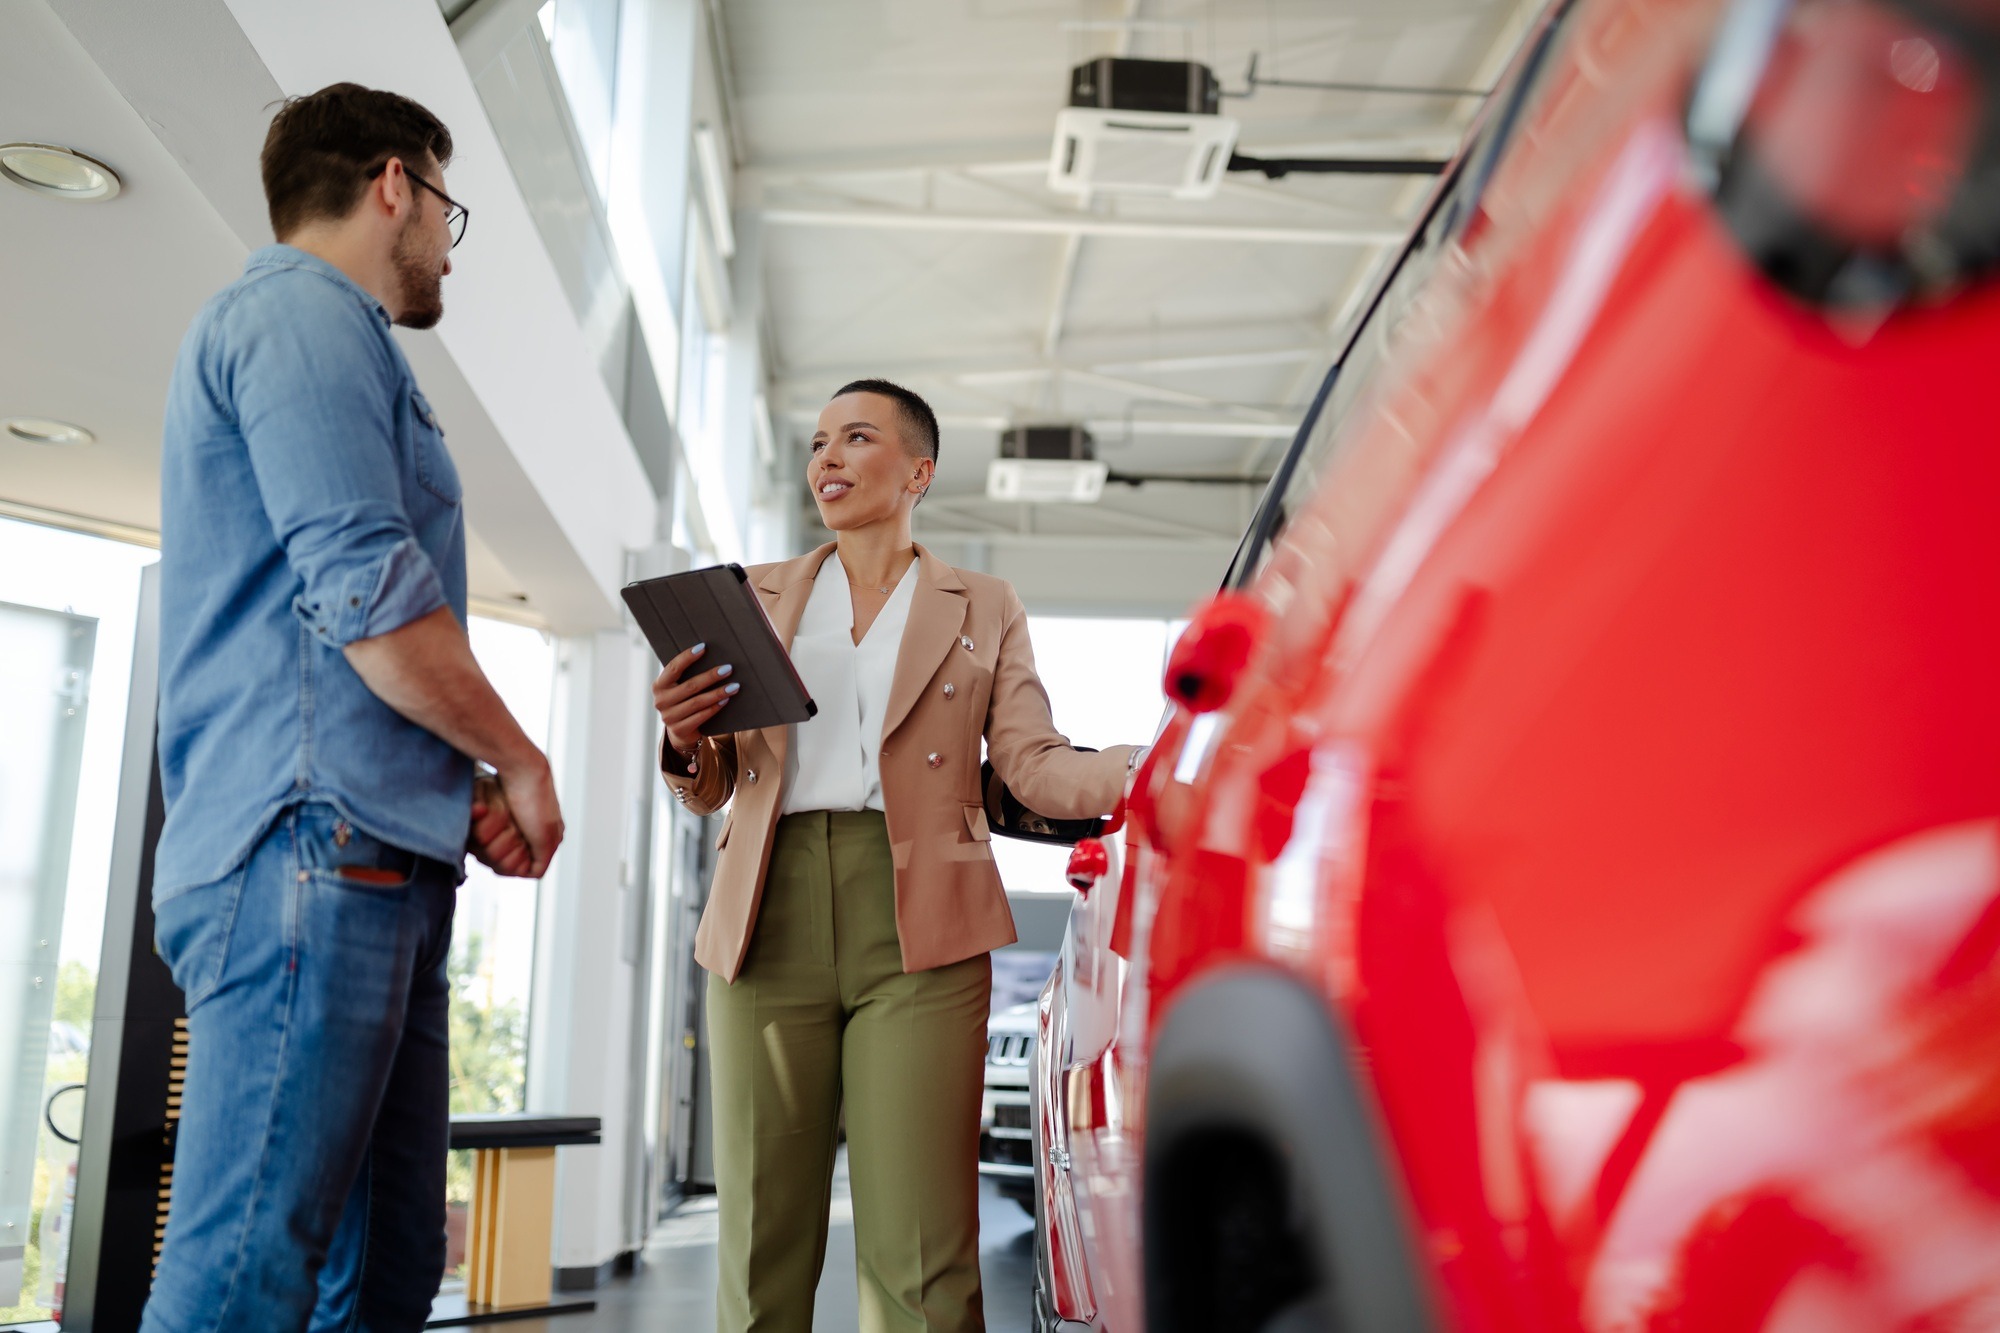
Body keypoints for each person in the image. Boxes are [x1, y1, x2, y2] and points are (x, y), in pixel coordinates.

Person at [146, 83, 562, 1333]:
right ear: (397, 183)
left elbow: (347, 621)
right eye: (448, 210)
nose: (445, 245)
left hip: (378, 850)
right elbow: (369, 593)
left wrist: (464, 778)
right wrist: (519, 757)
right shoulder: (299, 314)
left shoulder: (340, 340)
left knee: (377, 1280)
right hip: (308, 846)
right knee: (247, 1276)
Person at [651, 378, 1145, 1332]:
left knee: (921, 1256)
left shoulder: (984, 603)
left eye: (857, 437)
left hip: (925, 921)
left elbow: (1034, 767)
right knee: (758, 1248)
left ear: (917, 471)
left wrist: (1154, 766)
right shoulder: (754, 594)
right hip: (764, 917)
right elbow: (714, 779)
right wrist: (681, 738)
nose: (826, 458)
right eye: (819, 441)